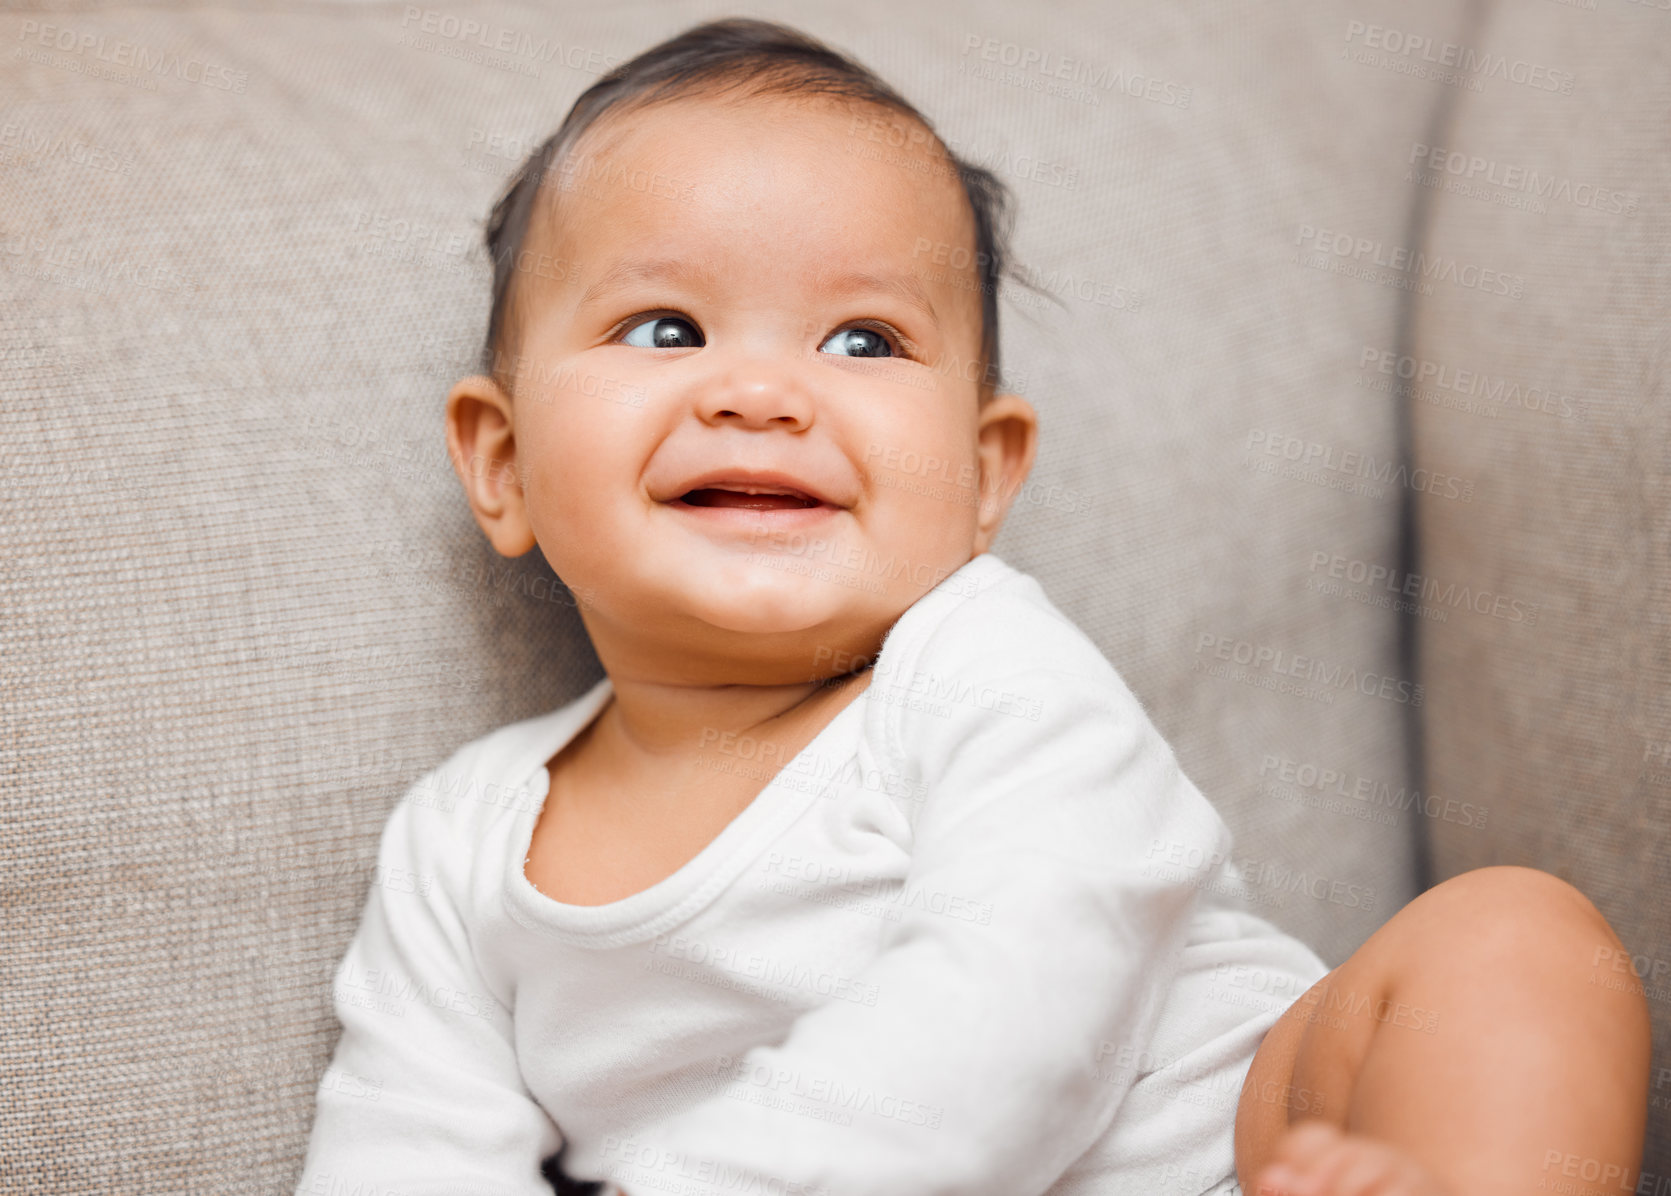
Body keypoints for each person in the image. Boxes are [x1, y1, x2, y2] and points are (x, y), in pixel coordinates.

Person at [293, 17, 1651, 1196]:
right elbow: (405, 1148)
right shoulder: (461, 845)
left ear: (984, 477)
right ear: (503, 461)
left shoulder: (984, 674)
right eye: (666, 328)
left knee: (1515, 942)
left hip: (1241, 1150)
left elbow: (1021, 997)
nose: (761, 393)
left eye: (864, 341)